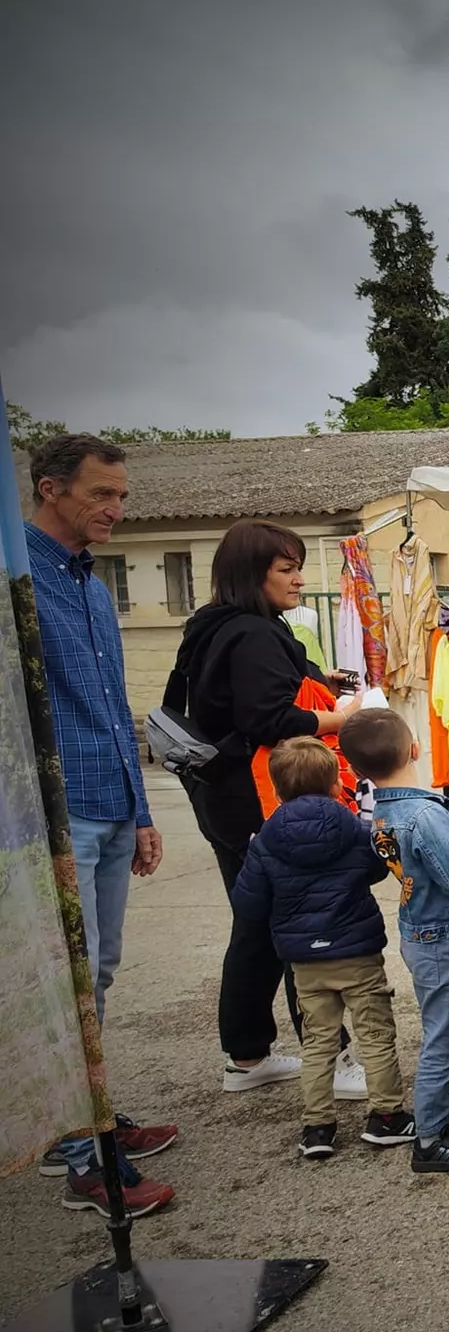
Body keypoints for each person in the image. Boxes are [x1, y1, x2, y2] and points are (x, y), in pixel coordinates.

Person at [25, 433, 178, 1215]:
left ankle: (76, 1123)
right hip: (53, 816)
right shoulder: (18, 578)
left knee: (103, 970)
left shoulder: (89, 582)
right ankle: (83, 1154)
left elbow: (113, 705)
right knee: (70, 983)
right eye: (101, 496)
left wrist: (141, 808)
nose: (117, 510)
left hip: (109, 799)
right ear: (51, 490)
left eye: (121, 495)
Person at [172, 518, 363, 1093]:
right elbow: (270, 719)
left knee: (255, 924)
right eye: (287, 569)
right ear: (253, 575)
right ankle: (333, 1059)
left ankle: (248, 1055)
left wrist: (312, 678)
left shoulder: (212, 627)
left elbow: (234, 702)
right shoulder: (253, 634)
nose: (300, 579)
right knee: (302, 924)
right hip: (259, 800)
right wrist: (341, 717)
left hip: (220, 799)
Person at [229, 737, 410, 1160]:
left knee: (317, 1040)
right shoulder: (351, 826)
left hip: (304, 959)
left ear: (276, 790)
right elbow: (375, 869)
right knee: (376, 1034)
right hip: (357, 950)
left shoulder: (267, 838)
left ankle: (318, 1126)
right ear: (334, 785)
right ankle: (386, 1116)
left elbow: (248, 903)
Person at [343, 707, 449, 1173]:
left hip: (422, 930)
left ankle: (445, 1116)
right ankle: (431, 1139)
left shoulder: (385, 810)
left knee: (443, 1031)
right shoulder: (422, 815)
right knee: (445, 1041)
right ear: (414, 748)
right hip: (442, 938)